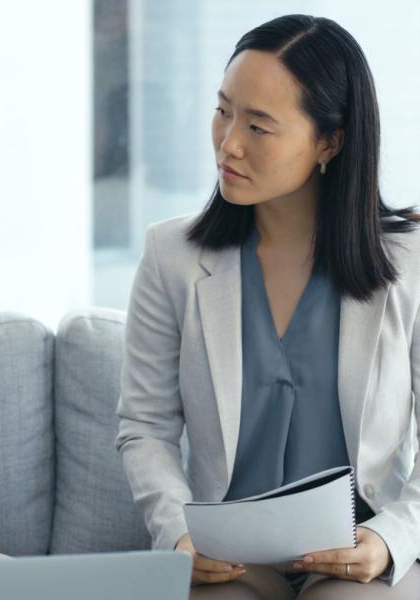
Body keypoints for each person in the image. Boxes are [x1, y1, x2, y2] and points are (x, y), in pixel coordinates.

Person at [117, 14, 420, 600]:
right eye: (223, 110)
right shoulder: (170, 256)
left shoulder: (410, 264)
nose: (229, 142)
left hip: (356, 549)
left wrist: (390, 538)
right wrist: (180, 534)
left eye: (259, 126)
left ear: (329, 142)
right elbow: (145, 426)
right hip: (228, 556)